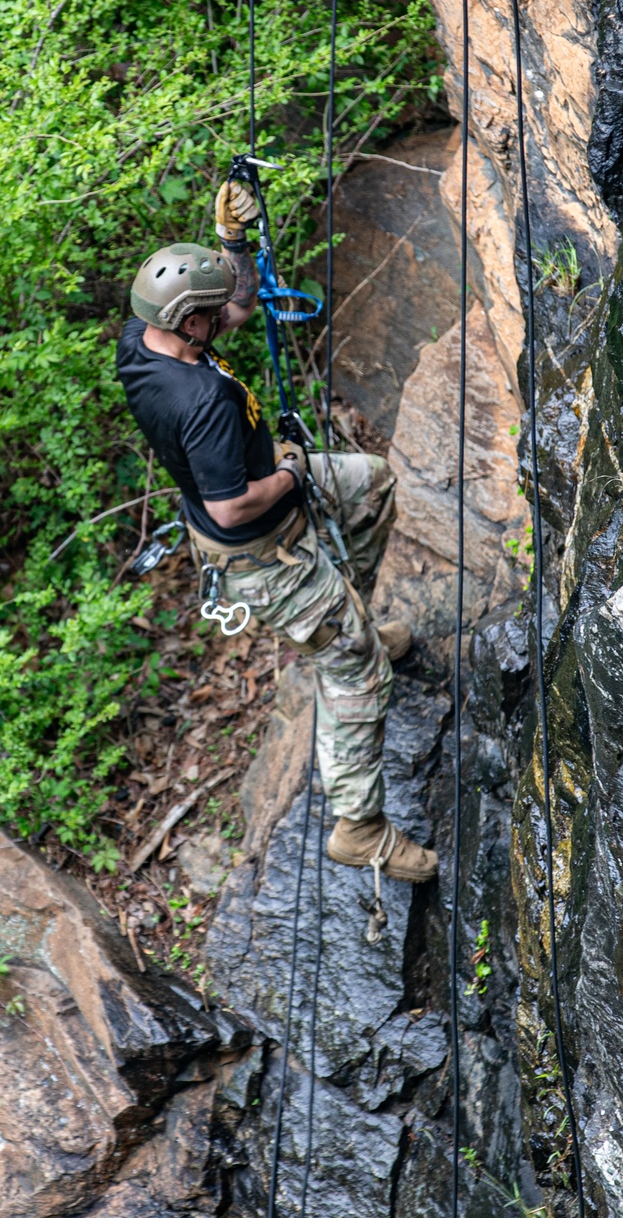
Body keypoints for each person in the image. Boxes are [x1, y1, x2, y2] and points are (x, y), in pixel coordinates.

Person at [116, 179, 438, 888]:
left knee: (371, 484)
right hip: (262, 548)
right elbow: (230, 507)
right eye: (207, 314)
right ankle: (360, 827)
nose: (221, 317)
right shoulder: (198, 402)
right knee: (356, 672)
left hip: (274, 504)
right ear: (186, 322)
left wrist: (234, 243)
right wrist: (291, 471)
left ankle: (346, 613)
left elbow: (235, 302)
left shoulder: (143, 339)